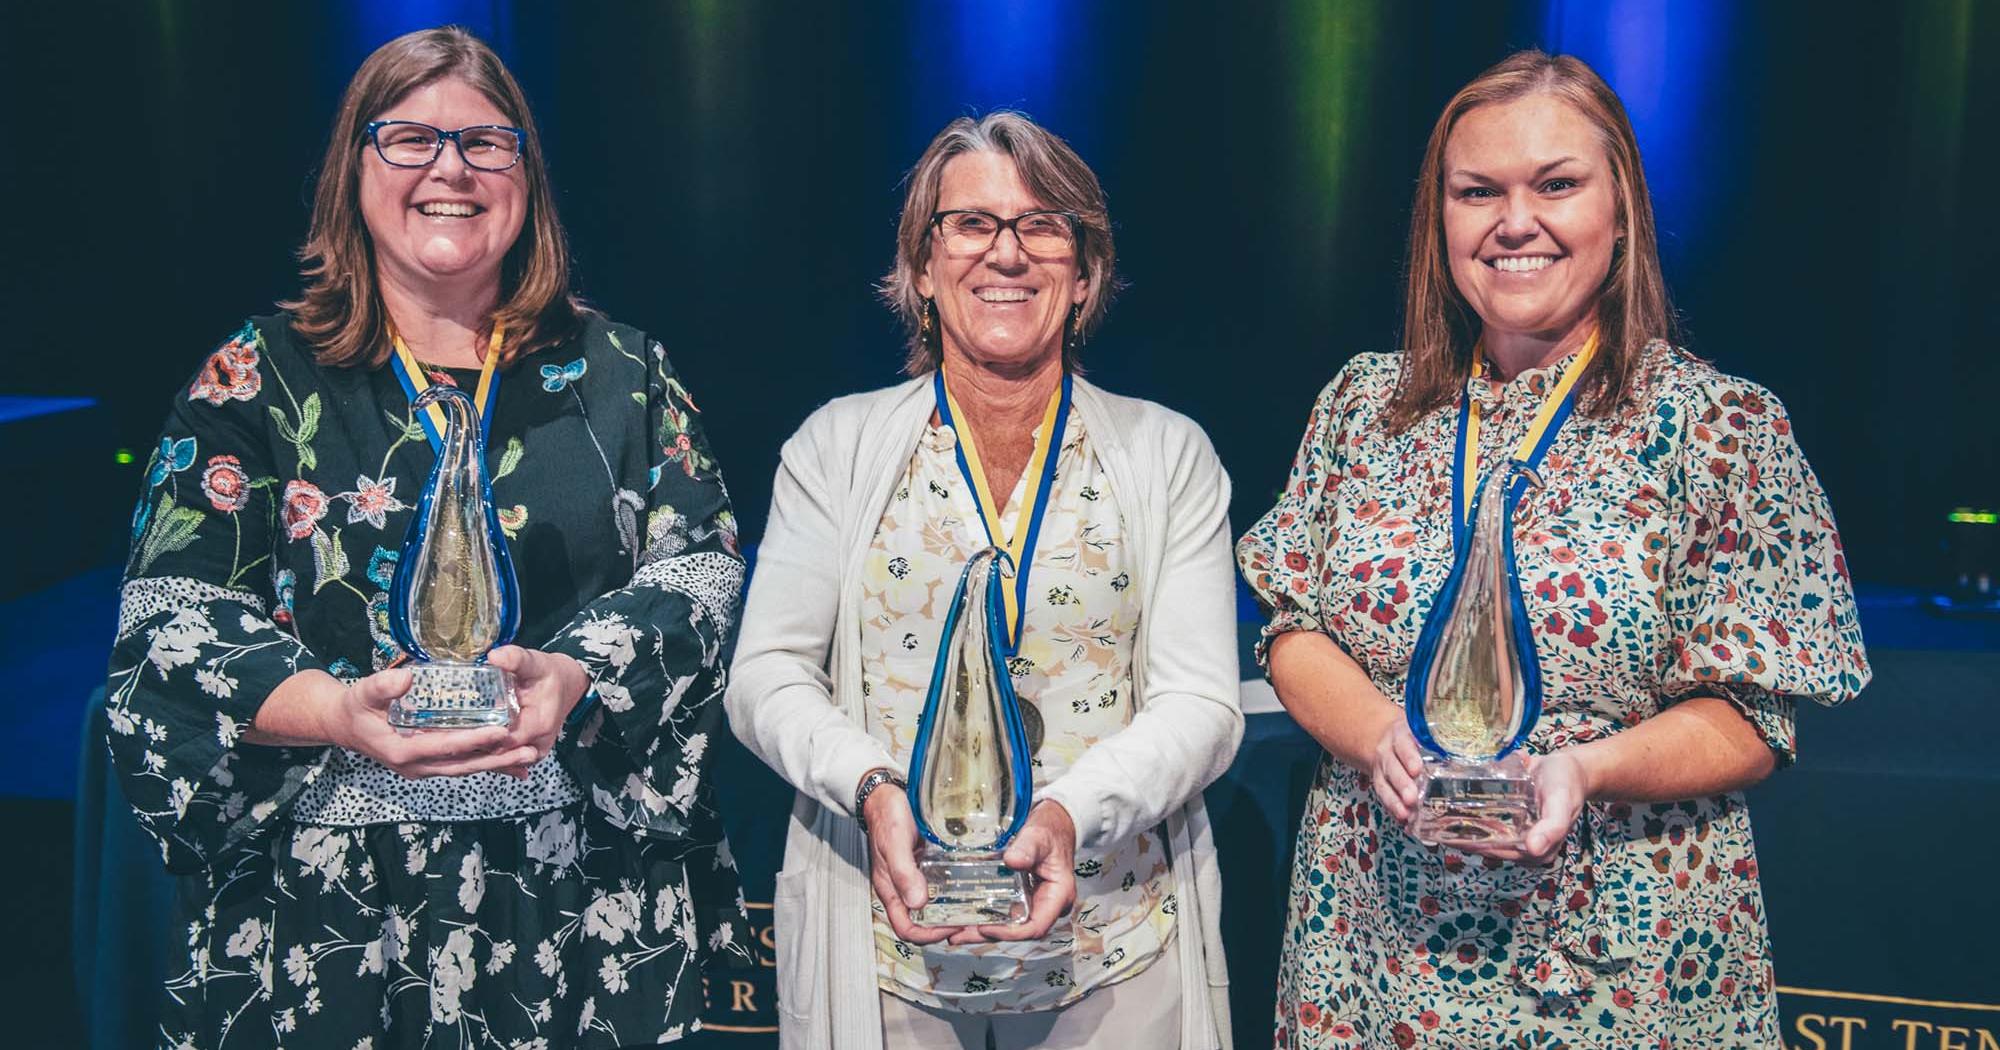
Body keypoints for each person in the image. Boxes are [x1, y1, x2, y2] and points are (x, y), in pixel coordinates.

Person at [104, 27, 748, 1049]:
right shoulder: (255, 375)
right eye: (407, 138)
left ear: (524, 176)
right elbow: (170, 625)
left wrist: (575, 676)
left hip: (578, 898)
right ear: (352, 174)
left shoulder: (623, 370)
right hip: (325, 908)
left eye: (485, 143)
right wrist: (337, 711)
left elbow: (701, 574)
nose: (449, 167)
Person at [1237, 50, 1870, 1048]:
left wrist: (1580, 769)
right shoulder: (1363, 406)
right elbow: (1291, 629)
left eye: (1556, 184)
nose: (1512, 221)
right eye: (1475, 191)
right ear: (1436, 217)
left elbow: (1753, 719)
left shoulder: (1719, 426)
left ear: (1619, 212)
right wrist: (1373, 737)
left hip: (1618, 955)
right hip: (1372, 949)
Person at [726, 111, 1241, 1050]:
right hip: (890, 958)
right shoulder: (832, 446)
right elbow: (765, 676)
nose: (1006, 253)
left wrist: (1068, 813)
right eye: (971, 224)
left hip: (1112, 953)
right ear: (920, 267)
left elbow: (1203, 703)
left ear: (1085, 272)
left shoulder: (1170, 455)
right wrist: (874, 786)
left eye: (1042, 225)